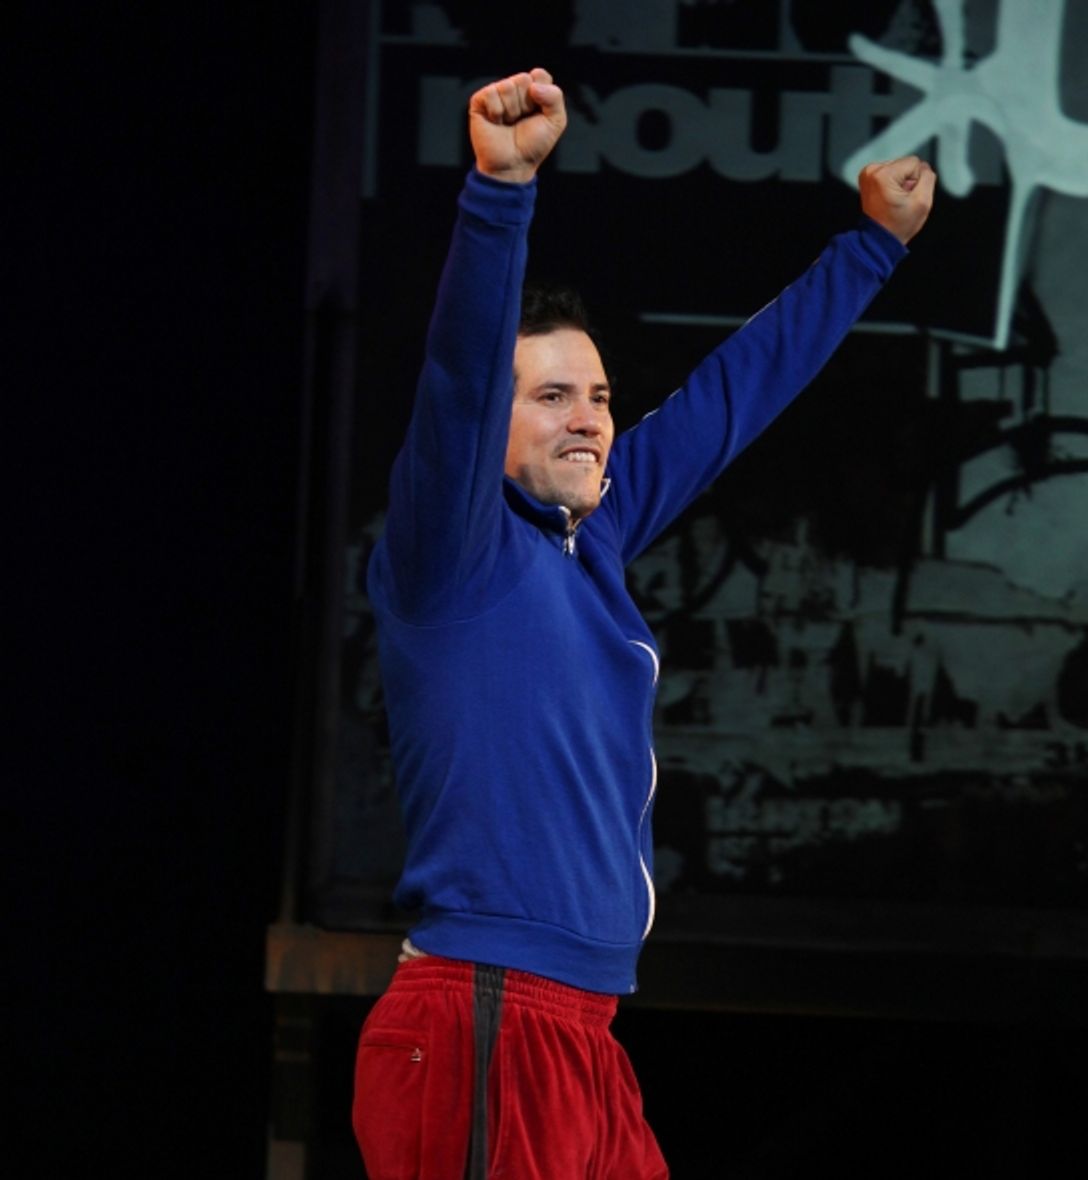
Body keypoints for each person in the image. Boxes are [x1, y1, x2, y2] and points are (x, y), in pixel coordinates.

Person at [353, 67, 935, 1179]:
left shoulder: (595, 543)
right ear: (495, 427)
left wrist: (873, 245)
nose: (589, 419)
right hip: (487, 1015)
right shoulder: (449, 553)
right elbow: (459, 374)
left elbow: (727, 399)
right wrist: (504, 189)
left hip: (581, 1029)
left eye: (602, 398)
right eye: (552, 397)